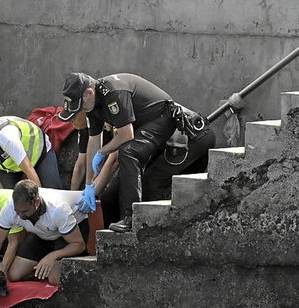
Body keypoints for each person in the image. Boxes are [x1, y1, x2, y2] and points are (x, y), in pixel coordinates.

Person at [58, 72, 214, 233]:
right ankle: (130, 223)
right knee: (118, 187)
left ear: (89, 93)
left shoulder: (114, 95)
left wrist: (102, 153)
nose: (81, 112)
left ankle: (133, 218)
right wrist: (89, 186)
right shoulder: (93, 105)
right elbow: (94, 142)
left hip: (188, 136)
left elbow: (125, 138)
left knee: (142, 169)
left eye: (80, 107)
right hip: (159, 132)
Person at [0, 179, 88, 286]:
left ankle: (51, 263)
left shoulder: (58, 210)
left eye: (24, 211)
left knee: (54, 278)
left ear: (36, 202)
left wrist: (53, 256)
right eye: (17, 211)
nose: (20, 215)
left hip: (68, 234)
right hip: (42, 233)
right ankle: (42, 265)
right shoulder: (10, 208)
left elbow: (79, 245)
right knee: (14, 275)